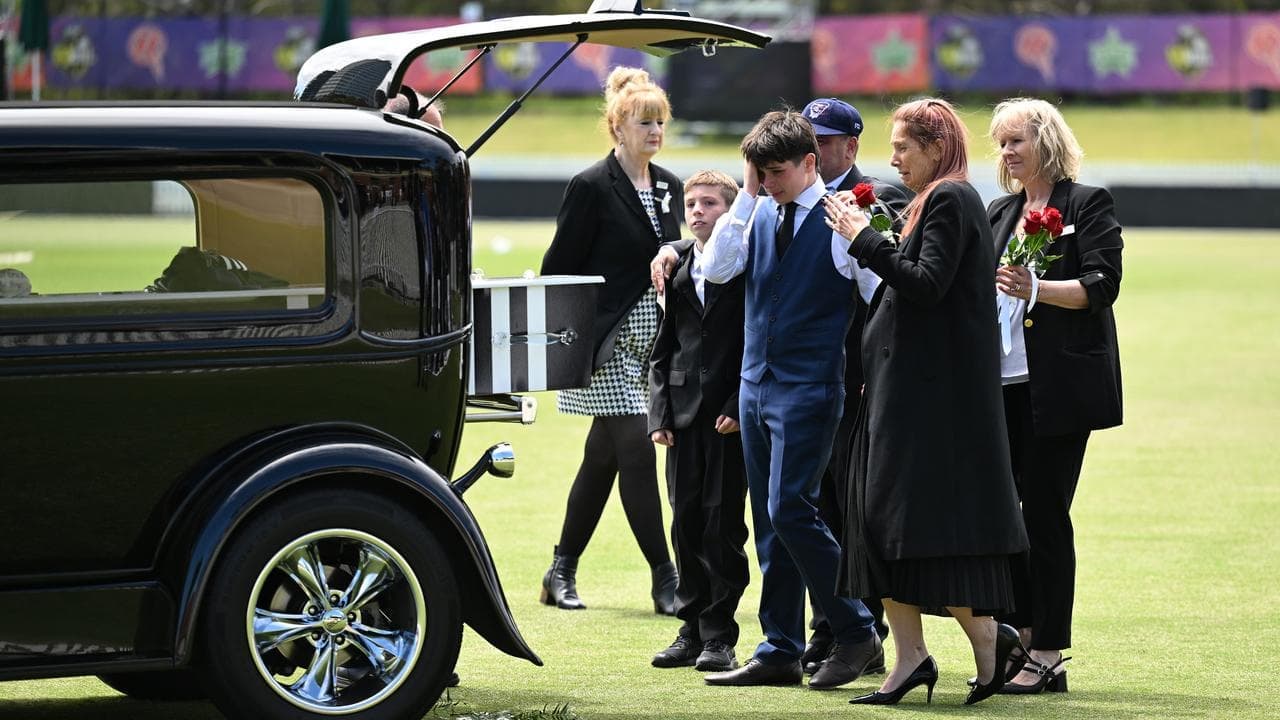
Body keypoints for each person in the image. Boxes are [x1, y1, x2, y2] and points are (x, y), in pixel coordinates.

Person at [824, 98, 1028, 706]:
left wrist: (864, 240)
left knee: (915, 528)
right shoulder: (931, 201)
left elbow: (926, 285)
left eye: (902, 148)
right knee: (875, 523)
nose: (893, 160)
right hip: (899, 396)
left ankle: (987, 641)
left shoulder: (951, 198)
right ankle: (912, 657)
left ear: (936, 148)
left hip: (930, 407)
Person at [683, 110, 882, 690]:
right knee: (770, 520)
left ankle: (855, 628)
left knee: (791, 509)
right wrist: (746, 196)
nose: (768, 182)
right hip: (754, 385)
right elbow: (717, 270)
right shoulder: (758, 211)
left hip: (811, 386)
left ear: (810, 163)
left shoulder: (846, 218)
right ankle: (780, 648)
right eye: (759, 172)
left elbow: (880, 296)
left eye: (776, 171)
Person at [986, 98, 1123, 695]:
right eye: (1000, 143)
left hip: (1060, 388)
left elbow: (1102, 286)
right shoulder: (999, 210)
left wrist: (1038, 288)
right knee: (1005, 519)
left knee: (1042, 514)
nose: (1007, 152)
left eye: (1015, 140)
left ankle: (1048, 653)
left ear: (1045, 140)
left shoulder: (1086, 203)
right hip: (1000, 386)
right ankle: (1019, 638)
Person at [538, 67, 681, 615]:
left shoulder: (669, 185)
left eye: (661, 122)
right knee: (639, 453)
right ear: (618, 126)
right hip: (605, 350)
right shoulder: (591, 186)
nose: (655, 131)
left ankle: (560, 571)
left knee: (602, 460)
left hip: (653, 349)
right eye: (645, 122)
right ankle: (665, 579)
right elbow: (559, 270)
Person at [797, 97, 911, 676]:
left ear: (849, 146)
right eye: (806, 137)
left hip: (854, 379)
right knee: (814, 505)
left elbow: (886, 298)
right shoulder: (791, 194)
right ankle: (834, 628)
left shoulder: (879, 201)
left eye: (821, 139)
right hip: (807, 377)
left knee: (847, 508)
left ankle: (858, 631)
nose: (811, 148)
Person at [647, 170, 750, 674]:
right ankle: (689, 627)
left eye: (709, 203)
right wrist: (659, 414)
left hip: (728, 417)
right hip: (683, 416)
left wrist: (738, 401)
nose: (697, 211)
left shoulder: (745, 260)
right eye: (691, 203)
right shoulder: (678, 262)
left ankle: (720, 634)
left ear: (729, 211)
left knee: (722, 524)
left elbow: (755, 340)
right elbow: (663, 346)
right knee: (684, 520)